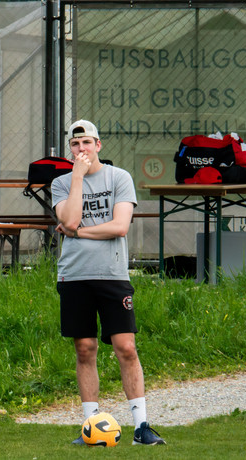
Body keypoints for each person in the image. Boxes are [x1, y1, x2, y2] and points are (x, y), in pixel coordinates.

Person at [51, 119, 166, 446]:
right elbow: (70, 217)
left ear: (98, 145)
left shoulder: (119, 178)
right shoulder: (61, 183)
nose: (81, 149)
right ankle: (90, 425)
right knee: (84, 348)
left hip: (112, 275)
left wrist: (77, 233)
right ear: (69, 149)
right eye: (75, 144)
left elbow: (119, 227)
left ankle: (142, 427)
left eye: (87, 143)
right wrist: (77, 176)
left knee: (125, 347)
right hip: (74, 275)